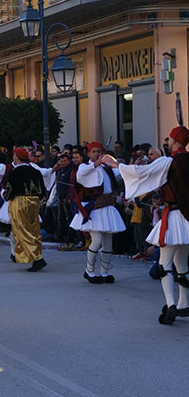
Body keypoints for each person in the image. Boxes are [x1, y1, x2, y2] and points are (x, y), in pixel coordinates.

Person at [103, 126, 189, 324]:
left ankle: (171, 305)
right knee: (182, 262)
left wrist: (117, 165)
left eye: (170, 138)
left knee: (165, 263)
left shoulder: (168, 161)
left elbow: (143, 172)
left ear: (175, 140)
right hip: (187, 217)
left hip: (174, 216)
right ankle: (184, 302)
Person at [70, 141, 126, 284]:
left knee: (108, 242)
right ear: (89, 153)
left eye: (99, 151)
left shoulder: (106, 168)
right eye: (93, 151)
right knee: (97, 240)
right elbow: (80, 175)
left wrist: (126, 166)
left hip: (107, 207)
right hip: (94, 209)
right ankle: (89, 271)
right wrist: (95, 164)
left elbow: (119, 175)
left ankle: (104, 272)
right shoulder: (85, 167)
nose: (96, 154)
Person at [4, 148, 49, 272]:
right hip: (34, 202)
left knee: (22, 230)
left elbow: (10, 190)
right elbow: (42, 190)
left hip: (20, 201)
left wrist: (6, 196)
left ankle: (37, 258)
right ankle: (33, 254)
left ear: (17, 157)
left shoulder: (15, 172)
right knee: (34, 230)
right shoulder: (35, 171)